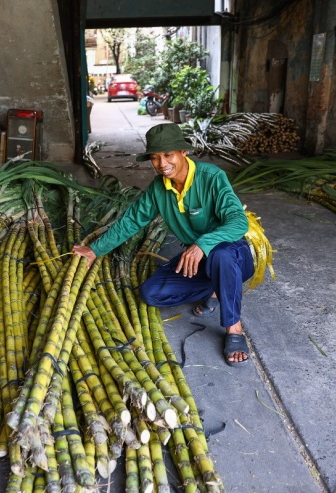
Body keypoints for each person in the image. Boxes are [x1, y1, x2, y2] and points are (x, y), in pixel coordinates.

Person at [72, 123, 255, 366]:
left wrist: (202, 244)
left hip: (233, 256)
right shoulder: (158, 189)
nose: (161, 164)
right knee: (151, 293)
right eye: (155, 158)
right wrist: (94, 250)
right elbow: (130, 222)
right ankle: (216, 289)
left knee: (221, 256)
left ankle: (234, 329)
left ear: (183, 152)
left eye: (168, 155)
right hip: (198, 261)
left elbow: (238, 221)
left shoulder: (211, 177)